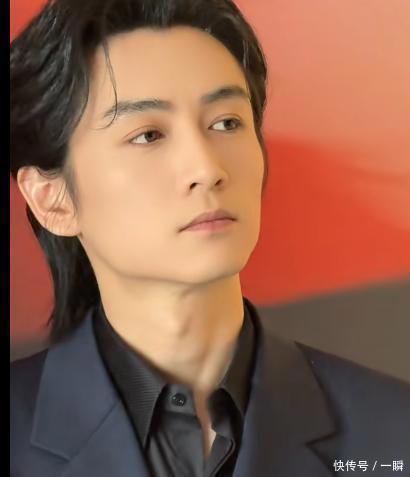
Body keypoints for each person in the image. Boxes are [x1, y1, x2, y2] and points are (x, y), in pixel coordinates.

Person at [10, 0, 410, 476]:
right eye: (148, 135)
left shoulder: (393, 430)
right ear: (53, 199)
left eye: (226, 123)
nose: (207, 168)